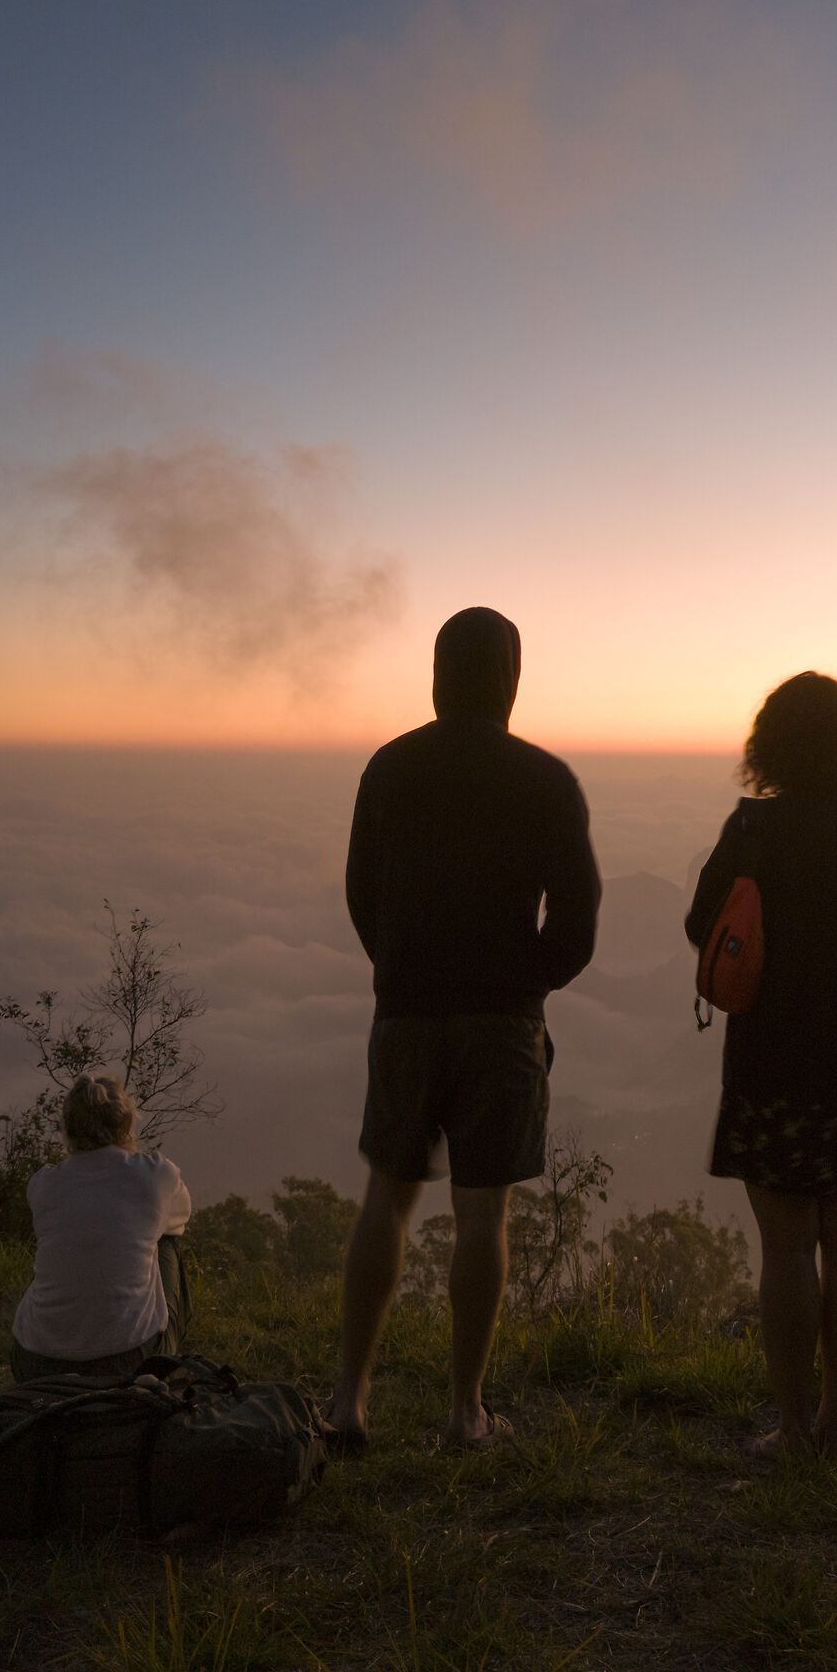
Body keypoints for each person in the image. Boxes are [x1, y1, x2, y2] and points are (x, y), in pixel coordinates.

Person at [329, 606, 602, 1451]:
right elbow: (580, 914)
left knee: (388, 1199)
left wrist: (399, 965)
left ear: (439, 674)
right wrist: (530, 978)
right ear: (511, 680)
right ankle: (463, 1415)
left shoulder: (391, 768)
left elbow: (360, 893)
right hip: (501, 1023)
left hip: (406, 1015)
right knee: (484, 1218)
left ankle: (347, 1406)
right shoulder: (545, 779)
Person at [685, 672, 837, 1459]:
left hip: (776, 1067)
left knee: (787, 1246)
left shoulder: (755, 833)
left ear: (770, 745)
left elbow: (704, 927)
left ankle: (791, 1430)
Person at [9, 1073, 194, 1382]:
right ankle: (164, 1369)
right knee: (166, 1239)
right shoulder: (156, 1175)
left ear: (66, 1129)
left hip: (35, 1362)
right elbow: (179, 1220)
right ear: (126, 1124)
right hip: (130, 1363)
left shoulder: (43, 1184)